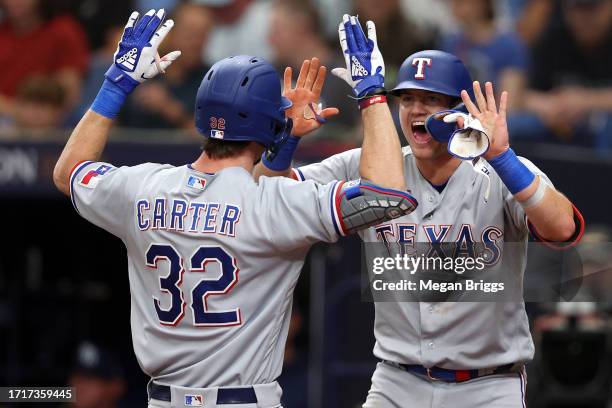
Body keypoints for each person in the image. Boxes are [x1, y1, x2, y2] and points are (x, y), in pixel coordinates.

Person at [52, 9, 417, 408]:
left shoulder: (143, 186)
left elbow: (68, 170)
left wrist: (117, 82)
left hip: (163, 399)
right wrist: (372, 95)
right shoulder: (272, 204)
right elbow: (387, 196)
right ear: (269, 127)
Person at [254, 14, 585, 407]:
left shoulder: (501, 170)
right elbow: (263, 194)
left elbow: (564, 227)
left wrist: (502, 157)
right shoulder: (373, 166)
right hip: (397, 381)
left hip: (488, 385)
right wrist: (287, 142)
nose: (415, 111)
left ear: (459, 109)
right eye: (407, 99)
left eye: (431, 100)